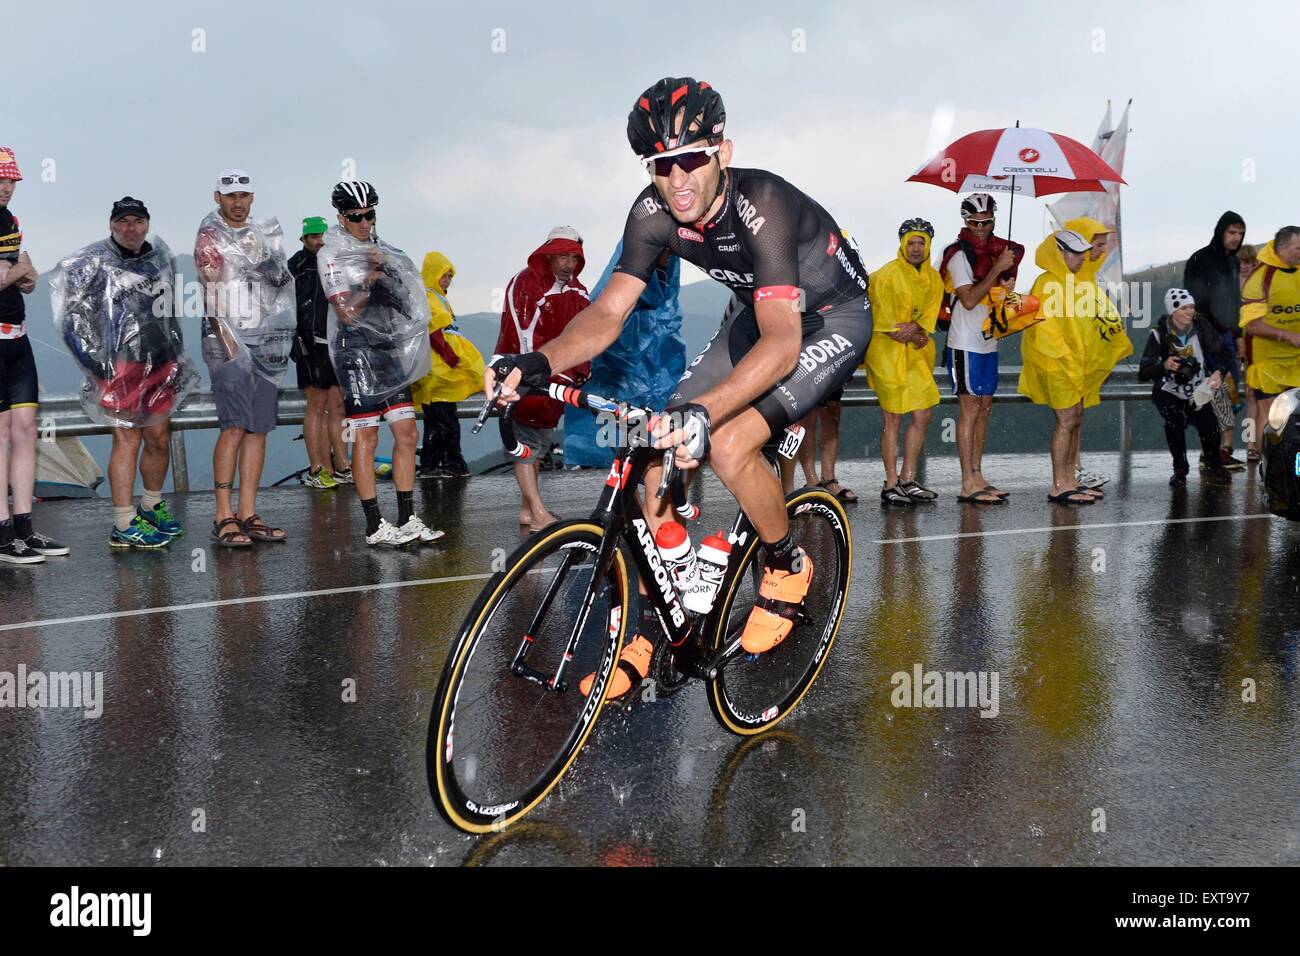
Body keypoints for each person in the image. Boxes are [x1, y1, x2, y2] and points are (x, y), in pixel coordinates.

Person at [486, 77, 872, 698]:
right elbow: (608, 314)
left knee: (726, 443)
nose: (678, 181)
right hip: (761, 312)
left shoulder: (762, 203)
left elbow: (781, 344)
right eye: (662, 166)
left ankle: (784, 562)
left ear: (722, 151)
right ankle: (650, 621)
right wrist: (539, 361)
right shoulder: (652, 211)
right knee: (654, 444)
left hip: (831, 318)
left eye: (692, 159)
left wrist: (706, 410)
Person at [52, 196, 201, 548]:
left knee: (158, 437)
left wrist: (177, 353)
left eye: (137, 221)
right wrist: (96, 365)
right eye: (123, 221)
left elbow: (170, 310)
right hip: (119, 366)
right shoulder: (93, 263)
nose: (130, 228)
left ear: (147, 224)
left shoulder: (160, 257)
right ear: (111, 224)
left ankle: (151, 505)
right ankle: (122, 521)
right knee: (127, 440)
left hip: (162, 362)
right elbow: (71, 319)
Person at [320, 180, 443, 548]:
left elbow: (407, 301)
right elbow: (344, 312)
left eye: (369, 215)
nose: (364, 223)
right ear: (341, 217)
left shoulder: (382, 249)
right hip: (354, 349)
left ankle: (407, 518)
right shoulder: (330, 255)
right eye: (356, 217)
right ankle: (375, 525)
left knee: (407, 433)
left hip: (387, 346)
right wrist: (372, 277)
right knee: (368, 436)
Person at [195, 169, 296, 547]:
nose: (237, 202)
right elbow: (211, 290)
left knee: (259, 427)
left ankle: (248, 511)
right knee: (234, 426)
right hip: (227, 342)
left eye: (243, 195)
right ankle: (223, 515)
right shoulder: (209, 235)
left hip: (265, 340)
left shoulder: (260, 236)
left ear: (251, 197)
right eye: (230, 196)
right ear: (217, 198)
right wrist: (227, 340)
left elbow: (278, 283)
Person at [496, 226, 592, 531]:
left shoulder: (577, 291)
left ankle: (528, 510)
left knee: (537, 443)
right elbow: (522, 335)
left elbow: (586, 336)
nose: (568, 264)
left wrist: (577, 373)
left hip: (555, 382)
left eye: (573, 257)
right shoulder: (526, 283)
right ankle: (537, 513)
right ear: (548, 254)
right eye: (562, 256)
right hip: (527, 377)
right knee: (526, 442)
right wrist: (530, 373)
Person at [0, 147, 67, 564]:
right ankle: (2, 531)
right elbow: (12, 272)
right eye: (1, 180)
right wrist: (17, 274)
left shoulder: (11, 220)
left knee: (26, 430)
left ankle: (24, 527)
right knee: (2, 434)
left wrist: (22, 278)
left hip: (18, 335)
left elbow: (20, 273)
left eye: (11, 181)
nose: (7, 187)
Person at [938, 193, 1023, 504]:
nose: (981, 228)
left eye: (987, 223)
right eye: (975, 223)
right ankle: (966, 482)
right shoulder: (958, 255)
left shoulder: (994, 252)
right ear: (965, 221)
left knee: (985, 408)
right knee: (969, 409)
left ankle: (977, 473)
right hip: (964, 341)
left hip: (988, 340)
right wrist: (997, 269)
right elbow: (970, 298)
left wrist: (1006, 283)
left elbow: (992, 292)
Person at [1019, 230, 1100, 505]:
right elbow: (1045, 329)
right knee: (1066, 420)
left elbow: (1081, 324)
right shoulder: (1045, 283)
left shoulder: (1071, 282)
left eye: (1082, 253)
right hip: (1053, 363)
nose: (1082, 258)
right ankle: (1059, 485)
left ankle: (1070, 480)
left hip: (1071, 363)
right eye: (1076, 253)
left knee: (1075, 416)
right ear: (1059, 253)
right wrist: (1067, 356)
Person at [866, 218, 943, 505]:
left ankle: (908, 478)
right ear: (902, 244)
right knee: (893, 417)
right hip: (886, 352)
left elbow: (928, 320)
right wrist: (915, 332)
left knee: (923, 413)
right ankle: (890, 482)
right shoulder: (886, 276)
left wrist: (916, 332)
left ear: (928, 245)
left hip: (915, 354)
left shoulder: (933, 279)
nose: (915, 248)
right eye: (910, 242)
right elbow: (889, 328)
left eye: (920, 242)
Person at [1138, 288, 1234, 486]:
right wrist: (1164, 366)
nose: (1190, 312)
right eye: (1184, 308)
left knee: (1210, 428)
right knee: (1174, 423)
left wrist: (1218, 372)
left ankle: (1214, 464)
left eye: (1192, 307)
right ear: (1173, 311)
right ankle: (1180, 469)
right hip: (1169, 390)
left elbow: (1223, 354)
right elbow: (1144, 372)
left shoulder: (1201, 327)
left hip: (1198, 389)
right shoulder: (1158, 334)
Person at [1063, 216, 1130, 490]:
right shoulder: (1072, 277)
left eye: (1105, 244)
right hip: (1072, 357)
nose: (1103, 250)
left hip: (1088, 357)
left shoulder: (1093, 274)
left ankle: (1075, 468)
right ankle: (1069, 472)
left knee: (1077, 416)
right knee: (1069, 417)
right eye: (1099, 245)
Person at [1184, 211, 1248, 470]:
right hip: (1204, 334)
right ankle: (1208, 452)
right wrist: (1200, 335)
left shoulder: (1233, 262)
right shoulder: (1200, 259)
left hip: (1228, 336)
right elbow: (1192, 302)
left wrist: (1239, 336)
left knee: (1230, 391)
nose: (1236, 238)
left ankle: (1225, 449)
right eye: (1232, 232)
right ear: (1221, 231)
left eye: (1240, 233)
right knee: (1209, 391)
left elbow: (1235, 302)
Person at [290, 215, 350, 490]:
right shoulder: (295, 265)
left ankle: (342, 465)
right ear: (303, 239)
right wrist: (294, 342)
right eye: (313, 236)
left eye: (322, 235)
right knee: (316, 407)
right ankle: (318, 469)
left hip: (337, 343)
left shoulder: (338, 260)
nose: (319, 240)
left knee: (338, 406)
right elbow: (283, 308)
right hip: (309, 344)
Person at [412, 251, 483, 478]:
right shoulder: (429, 297)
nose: (448, 281)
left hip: (443, 370)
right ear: (433, 274)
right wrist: (450, 355)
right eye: (445, 275)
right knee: (441, 420)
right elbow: (434, 331)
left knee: (443, 418)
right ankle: (442, 463)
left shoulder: (438, 297)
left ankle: (440, 463)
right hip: (438, 371)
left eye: (450, 276)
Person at [1240, 225, 1300, 437]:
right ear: (1282, 248)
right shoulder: (1260, 277)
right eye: (1298, 248)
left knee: (1296, 415)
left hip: (1296, 358)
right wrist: (1286, 335)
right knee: (1273, 415)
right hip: (1267, 360)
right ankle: (1269, 463)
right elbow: (1252, 325)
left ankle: (1294, 461)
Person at [1238, 243, 1261, 460]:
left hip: (1256, 344)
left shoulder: (1261, 284)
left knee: (1256, 396)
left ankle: (1255, 444)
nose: (1245, 267)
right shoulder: (1230, 286)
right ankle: (1249, 443)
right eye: (1241, 263)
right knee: (1238, 396)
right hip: (1235, 344)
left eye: (1249, 263)